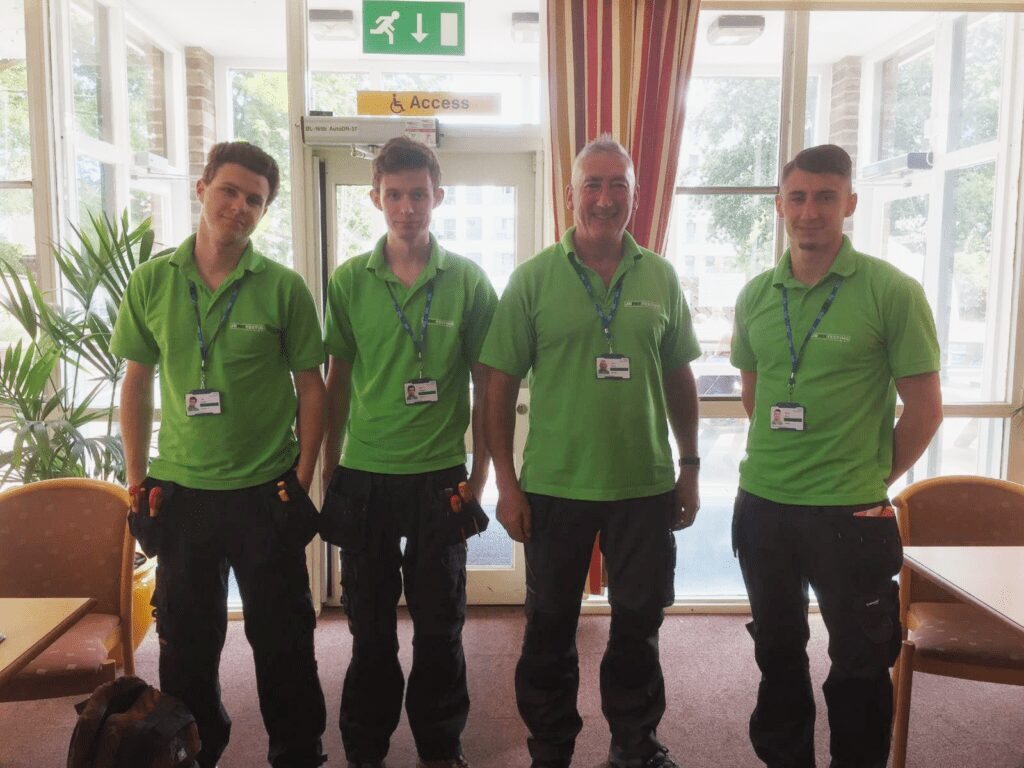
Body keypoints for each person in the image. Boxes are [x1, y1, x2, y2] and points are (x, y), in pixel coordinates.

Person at [480, 135, 701, 768]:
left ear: (635, 193)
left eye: (618, 185)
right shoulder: (533, 279)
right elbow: (499, 383)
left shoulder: (659, 275)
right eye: (593, 185)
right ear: (571, 193)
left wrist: (689, 468)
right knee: (550, 627)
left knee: (639, 625)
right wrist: (507, 483)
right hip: (554, 486)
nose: (605, 199)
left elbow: (680, 380)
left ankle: (635, 743)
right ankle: (551, 746)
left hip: (645, 485)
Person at [111, 141, 328, 768]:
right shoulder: (153, 280)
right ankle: (195, 747)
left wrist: (302, 474)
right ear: (202, 189)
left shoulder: (282, 288)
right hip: (183, 495)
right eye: (229, 191)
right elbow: (137, 379)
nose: (239, 207)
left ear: (264, 212)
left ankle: (297, 750)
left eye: (254, 200)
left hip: (265, 491)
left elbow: (310, 387)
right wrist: (135, 478)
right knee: (186, 644)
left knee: (285, 638)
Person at [730, 144, 943, 768]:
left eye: (826, 197)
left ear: (849, 204)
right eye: (797, 197)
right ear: (779, 206)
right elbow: (755, 393)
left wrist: (869, 474)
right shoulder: (755, 296)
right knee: (777, 652)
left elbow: (926, 410)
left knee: (859, 661)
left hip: (851, 515)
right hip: (764, 507)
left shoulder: (891, 292)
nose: (810, 211)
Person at [321, 136, 497, 768]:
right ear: (375, 198)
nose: (406, 207)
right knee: (369, 632)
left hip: (439, 478)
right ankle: (365, 748)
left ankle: (440, 749)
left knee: (441, 629)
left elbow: (488, 385)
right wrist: (328, 474)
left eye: (417, 194)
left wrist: (481, 477)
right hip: (365, 477)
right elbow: (336, 385)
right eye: (393, 195)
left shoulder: (468, 282)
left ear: (437, 197)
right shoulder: (348, 282)